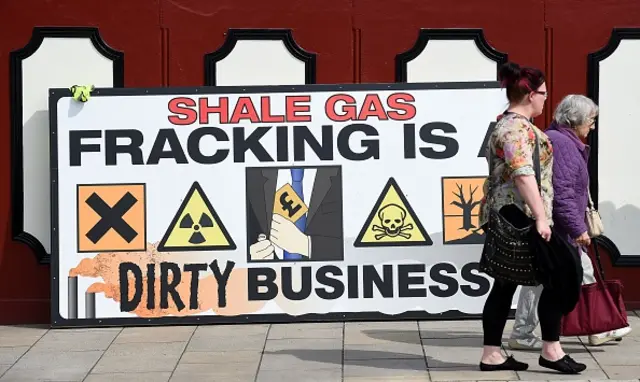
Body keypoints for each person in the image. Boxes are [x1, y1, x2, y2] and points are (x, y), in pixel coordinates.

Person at [478, 62, 587, 374]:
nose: (545, 99)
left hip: (513, 215)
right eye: (543, 94)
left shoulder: (514, 126)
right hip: (518, 217)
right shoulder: (514, 130)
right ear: (529, 95)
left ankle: (493, 354)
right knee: (564, 273)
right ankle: (550, 349)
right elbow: (524, 174)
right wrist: (541, 218)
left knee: (506, 283)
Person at [507, 94, 632, 350]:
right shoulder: (562, 144)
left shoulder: (563, 141)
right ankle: (599, 326)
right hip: (559, 227)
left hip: (556, 225)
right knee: (577, 272)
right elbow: (562, 192)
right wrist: (578, 229)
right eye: (591, 120)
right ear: (576, 120)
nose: (593, 126)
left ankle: (522, 332)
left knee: (541, 279)